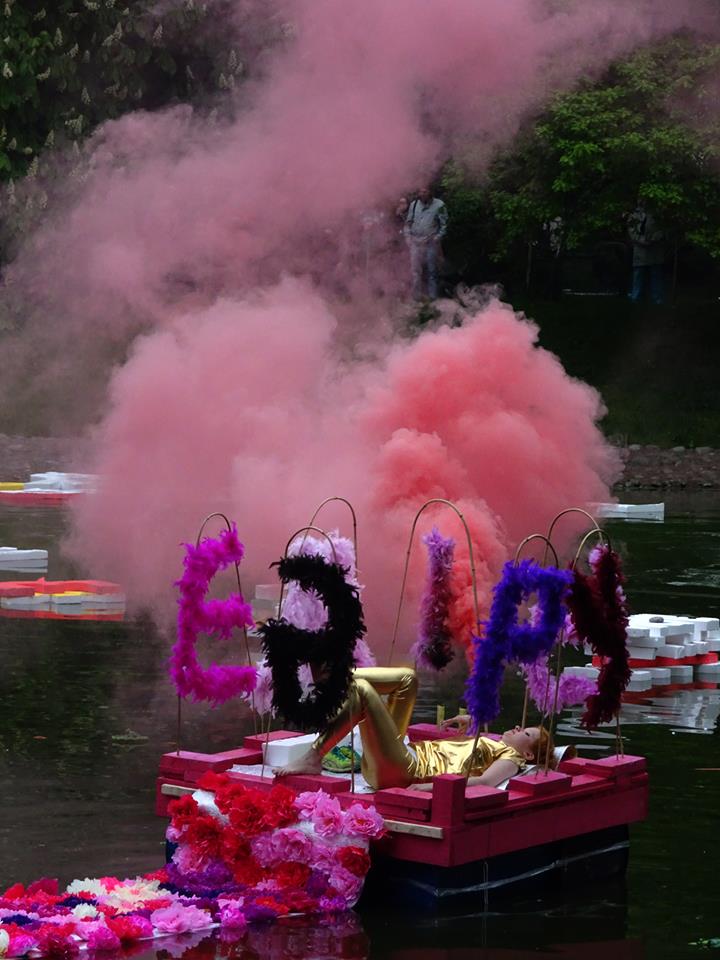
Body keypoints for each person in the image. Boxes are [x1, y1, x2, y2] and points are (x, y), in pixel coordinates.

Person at [273, 667, 552, 791]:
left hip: (405, 771)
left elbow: (484, 782)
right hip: (403, 753)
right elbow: (473, 750)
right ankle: (333, 678)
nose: (518, 727)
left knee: (362, 692)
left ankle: (314, 756)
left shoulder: (511, 760)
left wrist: (428, 787)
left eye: (527, 734)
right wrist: (469, 727)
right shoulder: (497, 743)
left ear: (528, 756)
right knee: (408, 678)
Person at [404, 187, 448, 300]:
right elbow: (408, 223)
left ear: (430, 192)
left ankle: (432, 298)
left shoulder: (440, 205)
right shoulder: (414, 205)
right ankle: (416, 298)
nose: (422, 194)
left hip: (430, 243)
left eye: (425, 191)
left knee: (431, 270)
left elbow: (444, 225)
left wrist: (437, 238)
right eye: (420, 191)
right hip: (415, 242)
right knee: (415, 270)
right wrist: (408, 237)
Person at [627, 202, 665, 305]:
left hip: (655, 248)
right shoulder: (634, 214)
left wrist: (653, 239)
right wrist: (642, 240)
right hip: (640, 249)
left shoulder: (658, 212)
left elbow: (663, 229)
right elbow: (631, 231)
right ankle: (635, 298)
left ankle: (657, 300)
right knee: (638, 275)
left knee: (656, 275)